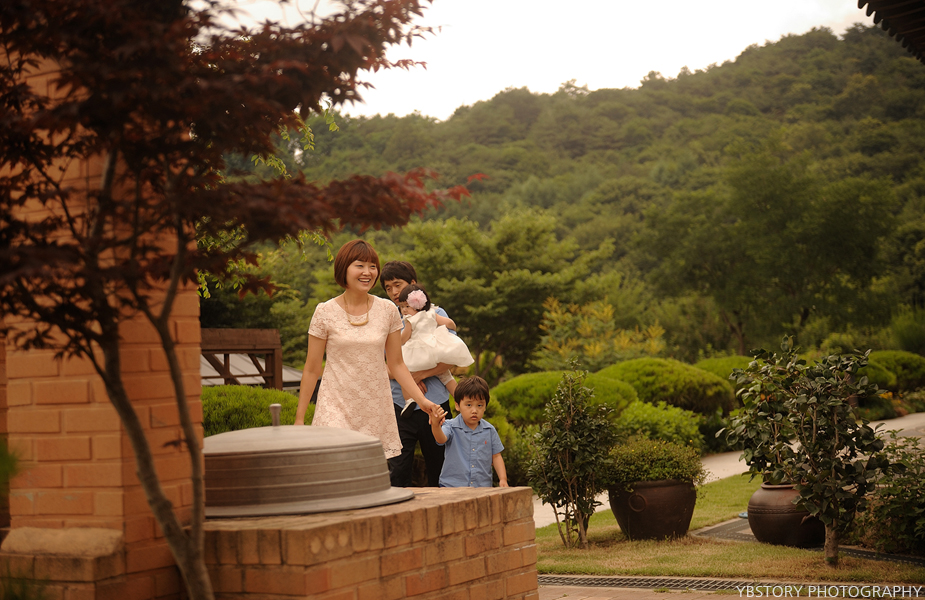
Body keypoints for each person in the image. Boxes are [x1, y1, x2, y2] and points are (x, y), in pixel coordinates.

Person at [295, 241, 438, 460]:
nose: (367, 272)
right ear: (343, 269)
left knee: (364, 473)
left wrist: (422, 401)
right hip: (334, 405)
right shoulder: (324, 312)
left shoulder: (388, 310)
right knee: (336, 465)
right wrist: (299, 419)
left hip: (374, 409)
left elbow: (396, 364)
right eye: (359, 265)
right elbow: (312, 369)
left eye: (372, 266)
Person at [381, 260, 457, 487]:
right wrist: (407, 378)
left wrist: (419, 376)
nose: (394, 292)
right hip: (398, 406)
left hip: (436, 405)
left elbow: (452, 356)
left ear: (413, 284)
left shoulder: (435, 312)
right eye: (388, 288)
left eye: (398, 284)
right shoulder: (387, 319)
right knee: (397, 472)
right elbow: (381, 366)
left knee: (441, 469)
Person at [396, 284, 473, 414]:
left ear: (418, 305)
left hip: (418, 355)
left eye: (407, 306)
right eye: (401, 307)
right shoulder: (431, 313)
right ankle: (461, 399)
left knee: (406, 374)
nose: (404, 310)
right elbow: (449, 323)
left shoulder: (409, 320)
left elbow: (404, 338)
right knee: (446, 376)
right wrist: (453, 327)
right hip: (434, 351)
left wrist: (398, 341)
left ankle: (409, 400)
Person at [429, 376, 507, 488]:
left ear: (485, 406)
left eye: (479, 405)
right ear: (457, 405)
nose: (474, 410)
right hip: (452, 487)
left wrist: (503, 479)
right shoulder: (450, 426)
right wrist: (435, 425)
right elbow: (440, 439)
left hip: (482, 487)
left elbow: (496, 456)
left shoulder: (489, 430)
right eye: (469, 405)